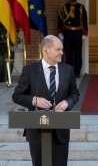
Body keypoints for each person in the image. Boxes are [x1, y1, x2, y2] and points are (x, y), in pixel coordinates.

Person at [12, 35, 79, 166]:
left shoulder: (68, 70)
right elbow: (17, 96)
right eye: (58, 49)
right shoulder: (30, 71)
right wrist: (34, 100)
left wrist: (67, 102)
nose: (61, 52)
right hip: (37, 131)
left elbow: (74, 94)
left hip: (60, 131)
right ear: (45, 50)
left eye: (62, 49)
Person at [58, 0, 88, 78]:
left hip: (78, 33)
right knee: (68, 53)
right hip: (67, 33)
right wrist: (60, 32)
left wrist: (85, 33)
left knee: (78, 53)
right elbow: (60, 20)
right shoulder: (63, 7)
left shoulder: (81, 7)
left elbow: (84, 20)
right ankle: (69, 72)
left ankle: (77, 72)